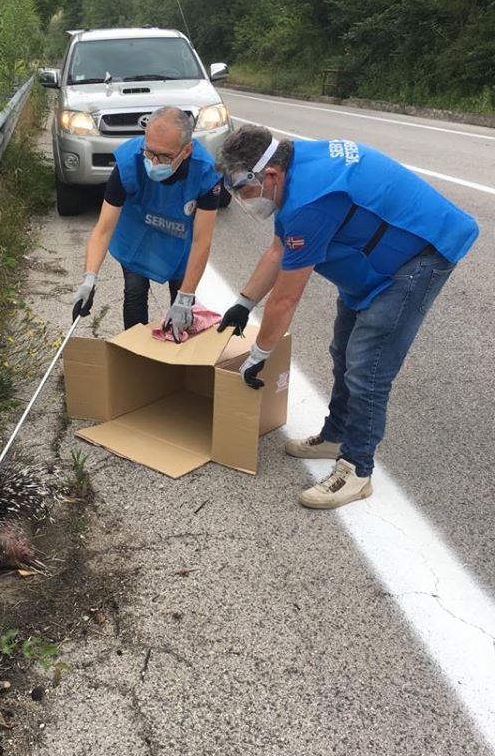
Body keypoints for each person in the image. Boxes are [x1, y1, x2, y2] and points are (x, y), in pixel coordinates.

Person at [216, 125, 478, 509]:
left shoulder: (311, 200)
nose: (241, 201)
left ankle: (357, 468)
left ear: (269, 174)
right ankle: (337, 433)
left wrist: (259, 354)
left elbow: (286, 298)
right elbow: (278, 247)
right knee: (343, 349)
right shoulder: (293, 166)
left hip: (421, 254)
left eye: (243, 190)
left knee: (366, 366)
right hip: (375, 255)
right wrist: (244, 302)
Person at [72, 107, 223, 341]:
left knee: (182, 300)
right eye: (150, 152)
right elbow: (103, 229)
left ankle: (179, 361)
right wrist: (89, 279)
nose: (153, 162)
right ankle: (135, 351)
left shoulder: (206, 173)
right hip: (136, 232)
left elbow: (202, 240)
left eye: (164, 157)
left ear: (187, 150)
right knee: (134, 290)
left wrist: (185, 298)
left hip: (179, 239)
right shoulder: (129, 162)